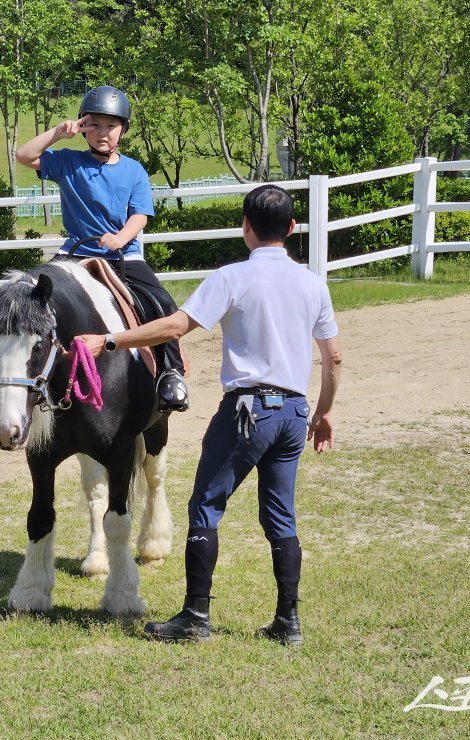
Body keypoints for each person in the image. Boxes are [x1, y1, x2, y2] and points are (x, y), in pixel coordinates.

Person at [74, 184, 342, 645]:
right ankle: (288, 622)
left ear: (245, 227)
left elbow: (177, 326)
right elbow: (333, 358)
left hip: (247, 409)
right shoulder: (313, 283)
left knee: (205, 506)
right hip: (294, 413)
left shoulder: (233, 277)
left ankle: (196, 617)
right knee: (281, 517)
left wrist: (111, 340)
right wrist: (323, 413)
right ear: (293, 228)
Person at [15, 85, 189, 412]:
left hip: (124, 254)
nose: (102, 133)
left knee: (162, 301)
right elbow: (24, 156)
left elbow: (140, 215)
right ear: (83, 127)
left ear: (123, 129)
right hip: (76, 250)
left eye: (111, 126)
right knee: (35, 295)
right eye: (93, 125)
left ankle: (171, 373)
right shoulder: (68, 162)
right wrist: (57, 132)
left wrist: (122, 237)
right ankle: (33, 373)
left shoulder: (134, 170)